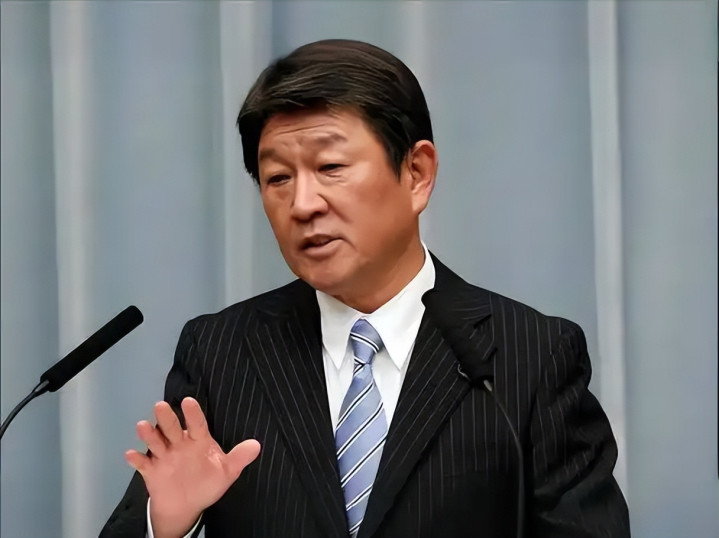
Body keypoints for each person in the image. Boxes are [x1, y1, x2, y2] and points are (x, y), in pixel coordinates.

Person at [100, 39, 630, 538]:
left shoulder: (530, 356)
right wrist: (167, 523)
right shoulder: (221, 352)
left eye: (330, 167)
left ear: (417, 173)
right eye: (278, 178)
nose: (303, 204)